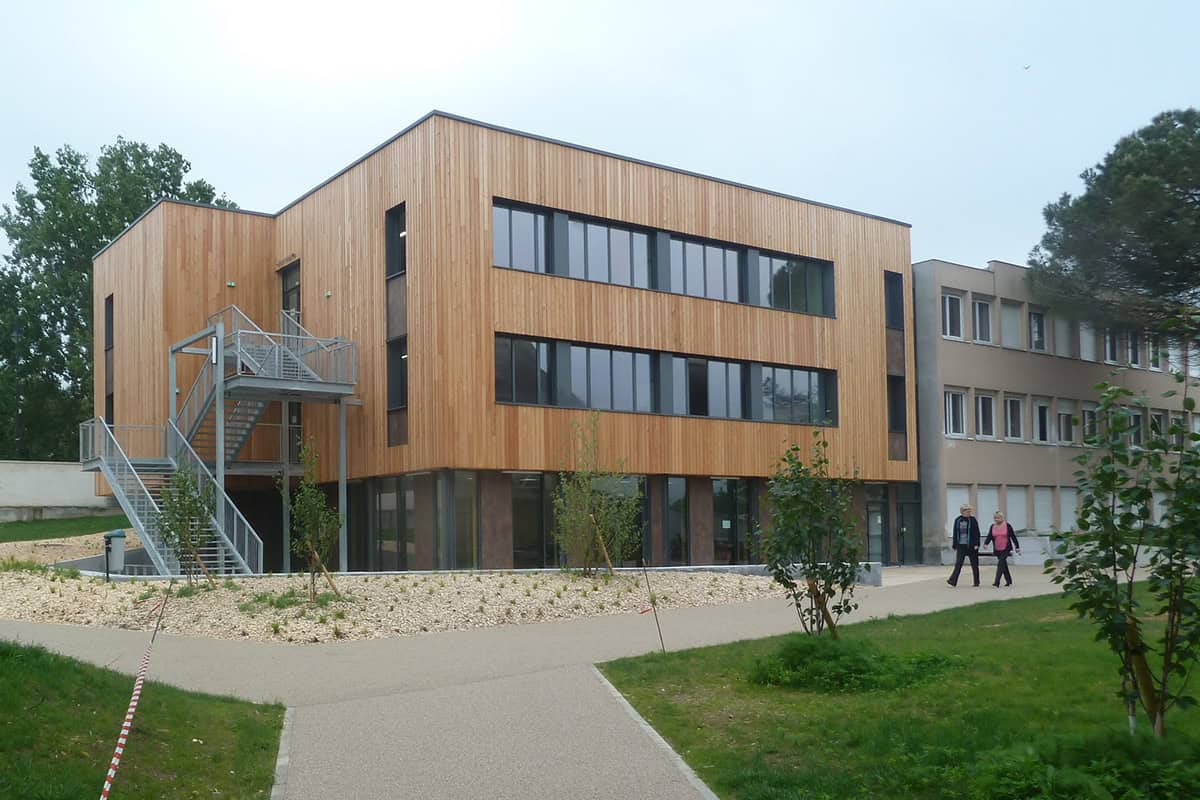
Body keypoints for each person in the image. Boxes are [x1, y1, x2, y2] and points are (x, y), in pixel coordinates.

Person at [946, 503, 981, 587]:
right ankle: (952, 581)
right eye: (967, 511)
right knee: (958, 563)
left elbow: (977, 532)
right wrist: (954, 544)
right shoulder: (958, 520)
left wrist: (977, 543)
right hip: (961, 545)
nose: (968, 513)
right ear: (962, 511)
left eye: (969, 511)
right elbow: (955, 532)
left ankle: (976, 582)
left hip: (972, 545)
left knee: (974, 564)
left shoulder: (973, 520)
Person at [985, 510, 1021, 587]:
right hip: (997, 548)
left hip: (1006, 548)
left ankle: (996, 582)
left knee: (1000, 563)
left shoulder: (1007, 526)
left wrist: (1017, 547)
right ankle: (1009, 581)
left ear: (1002, 518)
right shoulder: (992, 526)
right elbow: (990, 536)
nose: (996, 519)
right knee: (1003, 565)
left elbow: (1013, 537)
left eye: (998, 518)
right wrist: (986, 543)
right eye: (995, 518)